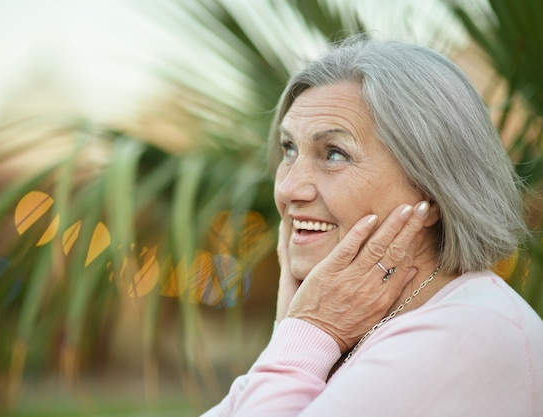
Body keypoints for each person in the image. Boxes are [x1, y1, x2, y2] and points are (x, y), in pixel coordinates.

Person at [200, 36, 543, 416]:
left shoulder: (466, 330)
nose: (287, 187)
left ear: (430, 187)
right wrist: (297, 331)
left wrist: (306, 330)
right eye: (289, 150)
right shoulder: (360, 322)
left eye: (334, 153)